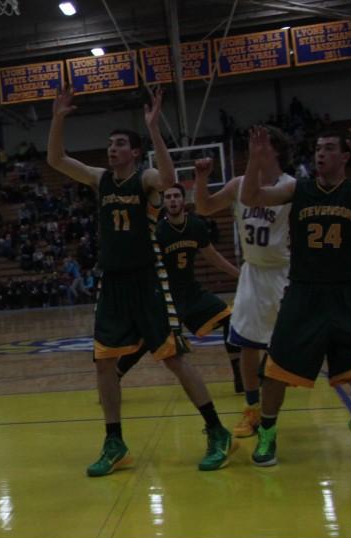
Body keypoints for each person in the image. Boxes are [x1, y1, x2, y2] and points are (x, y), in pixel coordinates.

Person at [47, 85, 234, 476]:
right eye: (110, 144)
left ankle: (217, 431)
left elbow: (168, 177)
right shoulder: (101, 180)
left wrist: (153, 129)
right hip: (112, 284)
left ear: (133, 152)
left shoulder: (145, 180)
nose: (112, 149)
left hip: (148, 281)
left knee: (175, 360)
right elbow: (57, 158)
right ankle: (114, 441)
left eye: (119, 144)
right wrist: (59, 118)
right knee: (103, 364)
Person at [240, 124, 351, 466]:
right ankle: (268, 431)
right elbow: (251, 197)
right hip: (304, 291)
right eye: (317, 148)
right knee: (275, 369)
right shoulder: (298, 189)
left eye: (329, 148)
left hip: (347, 290)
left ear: (344, 156)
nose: (320, 153)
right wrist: (253, 160)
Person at [193, 126, 295, 438]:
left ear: (275, 150)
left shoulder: (292, 186)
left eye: (261, 145)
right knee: (248, 345)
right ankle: (252, 409)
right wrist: (200, 178)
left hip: (287, 273)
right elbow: (204, 207)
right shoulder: (239, 184)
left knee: (299, 346)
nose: (254, 150)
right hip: (253, 273)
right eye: (252, 146)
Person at [114, 184, 242, 393]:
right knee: (148, 339)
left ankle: (239, 377)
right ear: (164, 202)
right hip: (164, 295)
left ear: (184, 200)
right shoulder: (157, 230)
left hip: (191, 292)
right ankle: (115, 375)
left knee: (231, 319)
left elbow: (212, 256)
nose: (172, 200)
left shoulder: (196, 225)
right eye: (168, 197)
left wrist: (239, 274)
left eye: (176, 196)